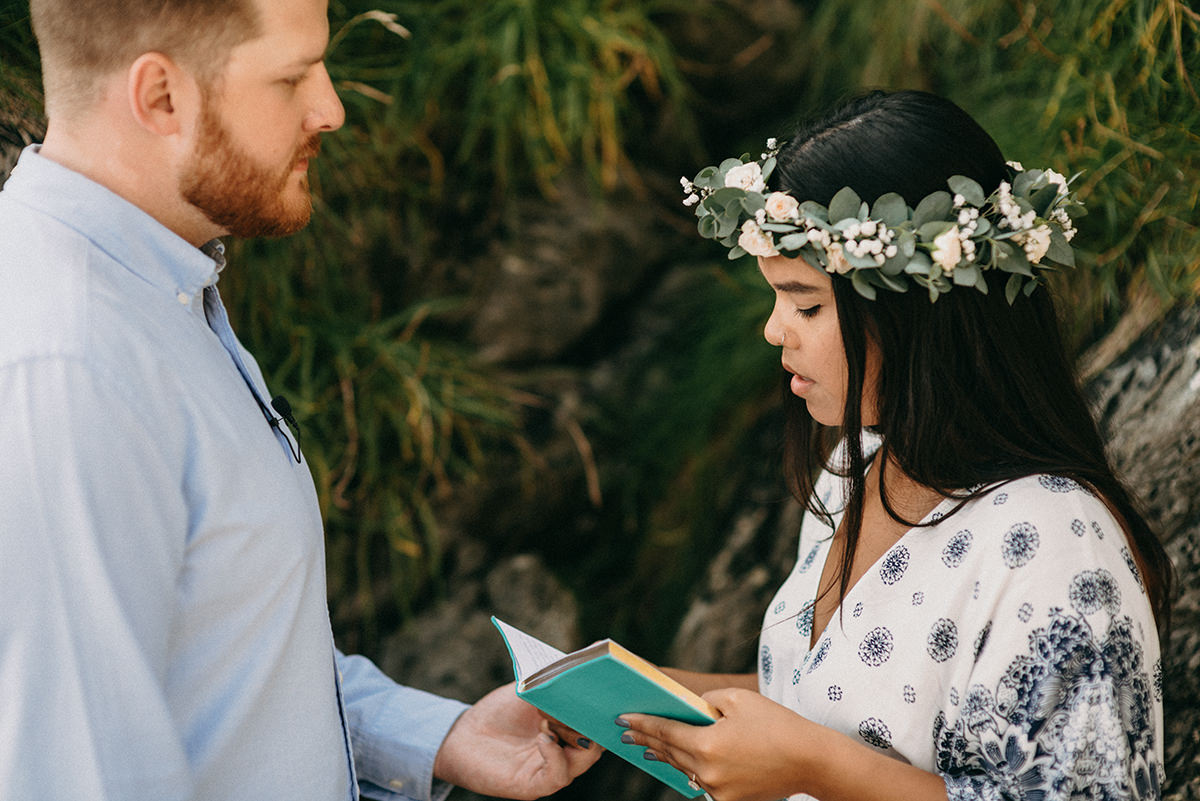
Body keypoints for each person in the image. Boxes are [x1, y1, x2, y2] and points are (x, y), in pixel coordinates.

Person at [0, 0, 598, 798]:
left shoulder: (159, 288)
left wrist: (437, 734)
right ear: (161, 98)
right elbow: (80, 772)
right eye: (291, 77)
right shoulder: (70, 366)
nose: (332, 108)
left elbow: (217, 652)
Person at [617, 90, 1173, 801]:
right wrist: (621, 692)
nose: (773, 330)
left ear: (914, 310)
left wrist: (814, 767)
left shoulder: (1053, 539)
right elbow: (825, 699)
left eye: (806, 303)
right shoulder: (850, 471)